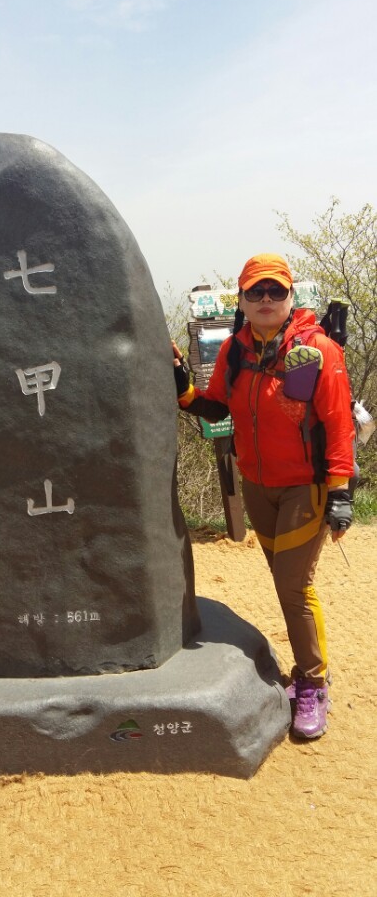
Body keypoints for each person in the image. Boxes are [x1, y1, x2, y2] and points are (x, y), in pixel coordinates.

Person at [173, 253, 354, 740]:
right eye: (256, 291)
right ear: (242, 300)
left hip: (305, 487)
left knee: (294, 587)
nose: (266, 298)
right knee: (284, 581)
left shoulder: (317, 350)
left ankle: (313, 682)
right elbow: (215, 405)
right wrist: (182, 385)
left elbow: (338, 424)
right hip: (257, 484)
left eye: (276, 290)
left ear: (291, 296)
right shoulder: (235, 351)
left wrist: (340, 492)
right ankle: (310, 673)